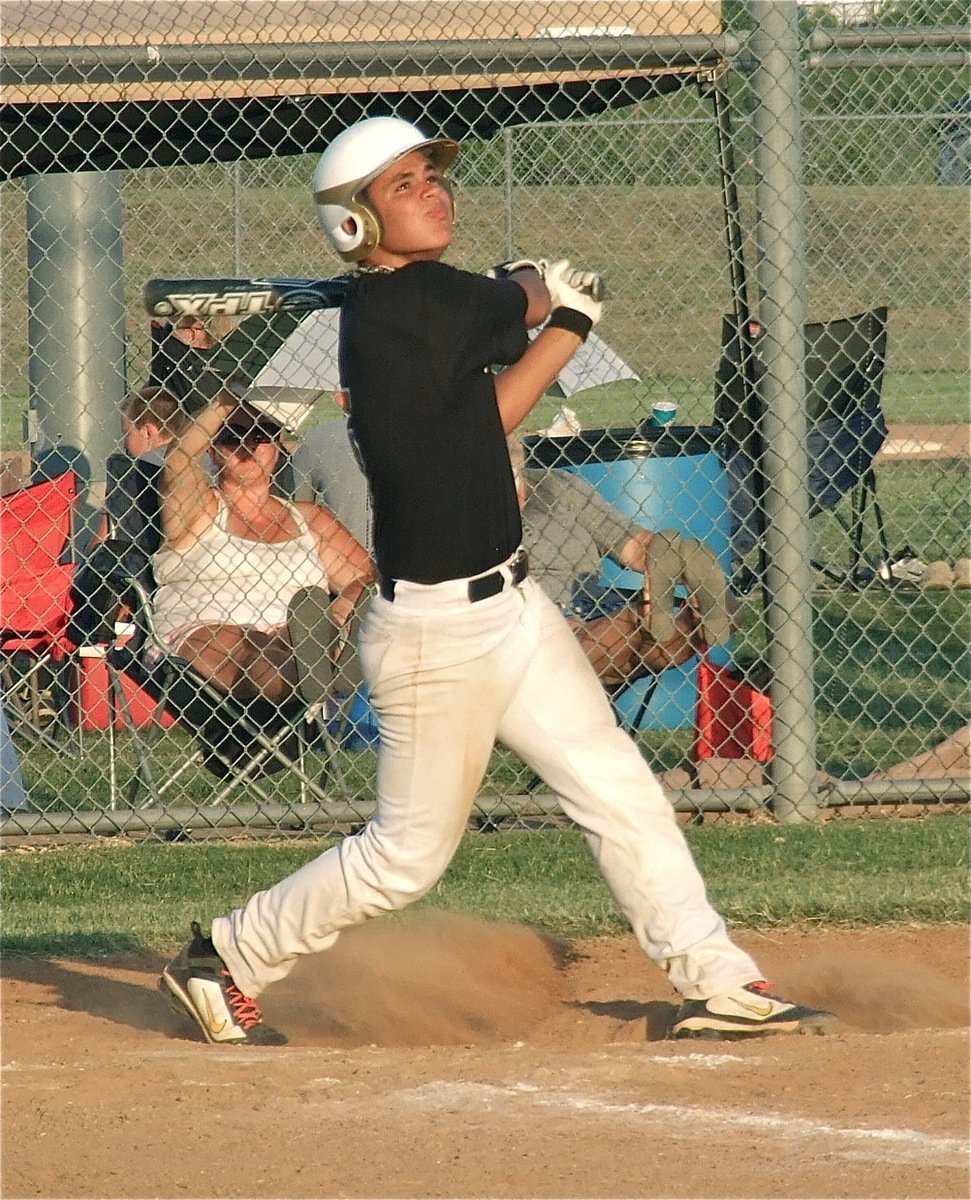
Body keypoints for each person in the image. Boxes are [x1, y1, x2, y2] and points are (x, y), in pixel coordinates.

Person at [159, 116, 835, 1046]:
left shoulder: (403, 315)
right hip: (435, 634)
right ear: (354, 224)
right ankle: (225, 958)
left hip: (514, 607)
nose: (433, 190)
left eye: (432, 173)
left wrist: (567, 322)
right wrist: (548, 288)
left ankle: (715, 978)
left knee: (616, 784)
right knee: (405, 858)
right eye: (403, 185)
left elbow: (488, 413)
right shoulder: (421, 305)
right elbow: (508, 296)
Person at [150, 389, 373, 707]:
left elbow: (366, 578)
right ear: (212, 450)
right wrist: (226, 399)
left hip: (293, 631)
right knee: (247, 649)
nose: (248, 445)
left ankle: (321, 649)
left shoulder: (308, 519)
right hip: (202, 628)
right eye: (232, 435)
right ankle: (320, 667)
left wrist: (338, 612)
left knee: (291, 637)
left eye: (262, 433)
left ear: (278, 447)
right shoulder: (200, 510)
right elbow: (178, 460)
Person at [509, 433, 734, 690]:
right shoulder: (464, 505)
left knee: (656, 642)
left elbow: (634, 545)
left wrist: (680, 561)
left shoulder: (555, 486)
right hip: (527, 619)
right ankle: (646, 619)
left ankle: (697, 614)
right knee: (582, 640)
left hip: (591, 608)